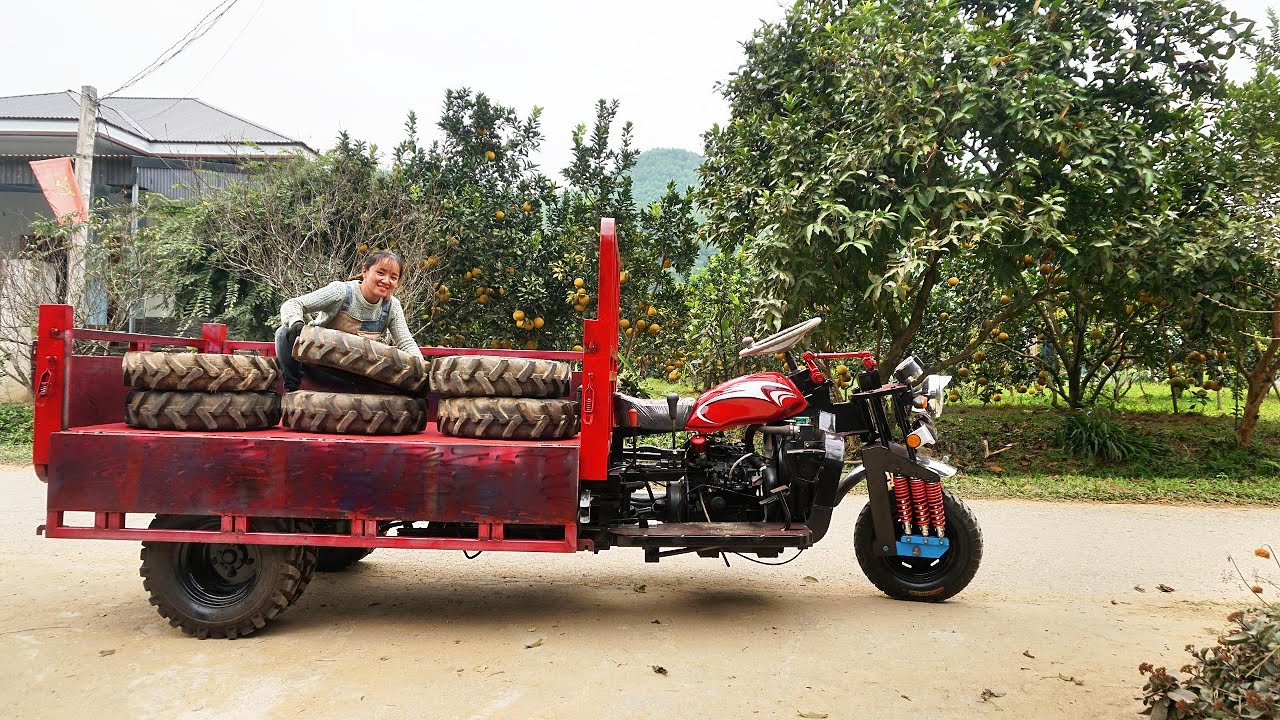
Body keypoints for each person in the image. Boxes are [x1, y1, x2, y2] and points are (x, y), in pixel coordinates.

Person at [275, 250, 424, 392]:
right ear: (365, 271)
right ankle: (292, 387)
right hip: (314, 365)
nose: (386, 281)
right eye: (380, 273)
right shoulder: (341, 292)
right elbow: (293, 304)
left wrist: (422, 368)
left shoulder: (392, 306)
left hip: (351, 373)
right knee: (283, 332)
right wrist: (296, 322)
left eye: (393, 277)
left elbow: (406, 342)